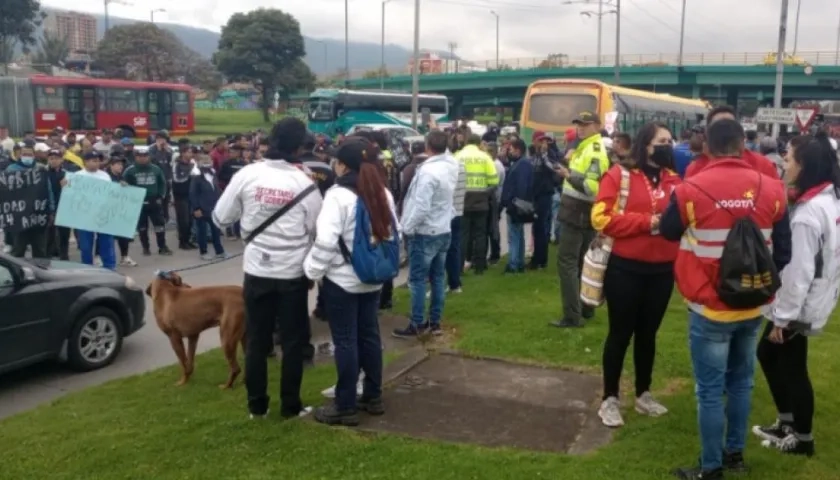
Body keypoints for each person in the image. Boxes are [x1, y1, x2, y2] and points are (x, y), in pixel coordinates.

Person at [660, 119, 791, 479]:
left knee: (709, 391)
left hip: (710, 307)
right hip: (753, 305)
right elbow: (784, 249)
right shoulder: (773, 187)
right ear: (741, 144)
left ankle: (711, 467)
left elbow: (670, 231)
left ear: (708, 146)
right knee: (742, 382)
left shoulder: (690, 189)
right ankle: (735, 455)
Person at [213, 118, 323, 420]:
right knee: (292, 342)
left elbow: (221, 217)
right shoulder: (305, 182)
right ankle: (290, 406)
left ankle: (256, 406)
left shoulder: (247, 174)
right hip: (292, 274)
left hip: (257, 272)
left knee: (258, 342)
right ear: (300, 147)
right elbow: (316, 229)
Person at [752, 132, 840, 457]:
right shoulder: (829, 199)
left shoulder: (807, 214)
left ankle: (802, 438)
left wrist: (783, 318)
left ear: (804, 165)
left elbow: (800, 271)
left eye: (788, 158)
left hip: (799, 306)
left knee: (791, 367)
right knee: (769, 355)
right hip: (813, 299)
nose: (784, 164)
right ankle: (788, 423)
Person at [590, 122, 682, 428]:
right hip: (625, 268)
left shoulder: (675, 180)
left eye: (671, 140)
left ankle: (643, 394)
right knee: (620, 333)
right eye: (662, 141)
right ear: (645, 145)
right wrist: (648, 222)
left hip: (662, 270)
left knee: (648, 335)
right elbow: (601, 218)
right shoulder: (619, 175)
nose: (669, 145)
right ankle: (610, 398)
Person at [304, 138, 398, 426]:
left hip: (342, 280)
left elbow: (326, 241)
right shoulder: (382, 192)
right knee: (369, 336)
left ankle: (345, 404)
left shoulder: (338, 196)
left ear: (342, 164)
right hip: (372, 277)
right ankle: (373, 395)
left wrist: (311, 271)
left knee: (345, 341)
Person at [395, 130, 459, 338]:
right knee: (438, 278)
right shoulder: (451, 165)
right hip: (443, 228)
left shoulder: (427, 172)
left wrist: (407, 227)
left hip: (425, 231)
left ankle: (416, 323)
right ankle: (435, 321)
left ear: (427, 146)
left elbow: (421, 207)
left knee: (418, 280)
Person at [552, 112, 611, 328]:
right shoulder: (585, 147)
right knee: (581, 263)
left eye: (585, 125)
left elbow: (592, 187)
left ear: (597, 126)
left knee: (567, 263)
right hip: (580, 212)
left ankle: (572, 316)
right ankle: (585, 308)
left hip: (577, 212)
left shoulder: (594, 151)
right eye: (578, 124)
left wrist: (568, 175)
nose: (580, 128)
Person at [455, 134, 499, 274]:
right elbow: (494, 181)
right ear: (480, 144)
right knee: (480, 234)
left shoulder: (458, 156)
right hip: (481, 201)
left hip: (463, 201)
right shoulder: (485, 157)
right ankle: (479, 267)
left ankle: (459, 266)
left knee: (463, 235)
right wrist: (485, 192)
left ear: (466, 142)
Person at [5, 140, 55, 259]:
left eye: (29, 154)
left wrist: (51, 210)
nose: (27, 156)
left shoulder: (41, 169)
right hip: (19, 216)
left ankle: (41, 274)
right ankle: (17, 275)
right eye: (24, 154)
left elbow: (48, 190)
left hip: (38, 215)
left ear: (34, 155)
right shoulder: (11, 169)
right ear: (19, 155)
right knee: (18, 249)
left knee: (40, 249)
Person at [68, 152, 117, 270]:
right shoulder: (77, 175)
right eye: (93, 160)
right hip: (85, 215)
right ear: (85, 162)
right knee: (86, 245)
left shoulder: (105, 175)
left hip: (102, 214)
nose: (96, 163)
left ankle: (109, 267)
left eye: (97, 160)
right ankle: (87, 267)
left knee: (106, 242)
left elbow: (110, 193)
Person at [123, 149, 173, 256]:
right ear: (136, 157)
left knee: (159, 225)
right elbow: (124, 184)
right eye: (140, 156)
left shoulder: (156, 169)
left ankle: (162, 247)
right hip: (139, 202)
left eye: (145, 156)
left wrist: (160, 196)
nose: (142, 158)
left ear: (149, 157)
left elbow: (162, 183)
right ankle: (146, 248)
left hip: (154, 201)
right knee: (142, 227)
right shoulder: (130, 170)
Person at [500, 138, 533, 273]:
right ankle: (518, 262)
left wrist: (513, 202)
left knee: (514, 235)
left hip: (516, 205)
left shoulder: (522, 165)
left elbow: (521, 186)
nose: (510, 152)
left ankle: (513, 264)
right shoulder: (521, 163)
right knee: (518, 234)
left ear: (518, 150)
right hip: (518, 204)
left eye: (511, 150)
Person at [190, 154, 226, 261]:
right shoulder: (196, 176)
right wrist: (196, 208)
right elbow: (193, 193)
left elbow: (216, 189)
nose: (206, 162)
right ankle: (203, 252)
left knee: (215, 230)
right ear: (199, 162)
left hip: (213, 207)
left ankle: (219, 251)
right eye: (203, 160)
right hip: (201, 208)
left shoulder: (213, 174)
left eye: (208, 160)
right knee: (202, 231)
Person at [106, 158, 137, 266]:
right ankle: (99, 256)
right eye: (118, 164)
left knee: (123, 234)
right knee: (105, 235)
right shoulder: (106, 176)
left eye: (121, 165)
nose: (120, 167)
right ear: (111, 165)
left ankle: (125, 257)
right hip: (108, 210)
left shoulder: (121, 176)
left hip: (120, 209)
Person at [45, 149, 70, 260]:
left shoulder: (67, 174)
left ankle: (64, 254)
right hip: (49, 207)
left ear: (62, 159)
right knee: (49, 233)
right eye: (51, 158)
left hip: (64, 208)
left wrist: (67, 185)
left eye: (57, 158)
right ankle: (48, 255)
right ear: (48, 160)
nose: (54, 161)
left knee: (64, 233)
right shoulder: (43, 173)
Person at [172, 146, 198, 250]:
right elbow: (177, 179)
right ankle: (182, 242)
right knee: (184, 220)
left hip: (190, 195)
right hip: (180, 196)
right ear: (182, 153)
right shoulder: (177, 165)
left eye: (191, 152)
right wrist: (190, 174)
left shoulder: (192, 164)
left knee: (191, 220)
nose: (190, 154)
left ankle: (188, 240)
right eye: (188, 152)